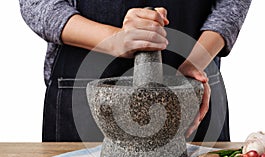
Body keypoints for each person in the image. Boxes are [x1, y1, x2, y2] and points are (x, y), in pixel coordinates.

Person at [19, 0, 252, 142]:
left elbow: (232, 3)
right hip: (79, 99)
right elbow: (38, 3)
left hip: (192, 96)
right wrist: (114, 40)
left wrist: (194, 64)